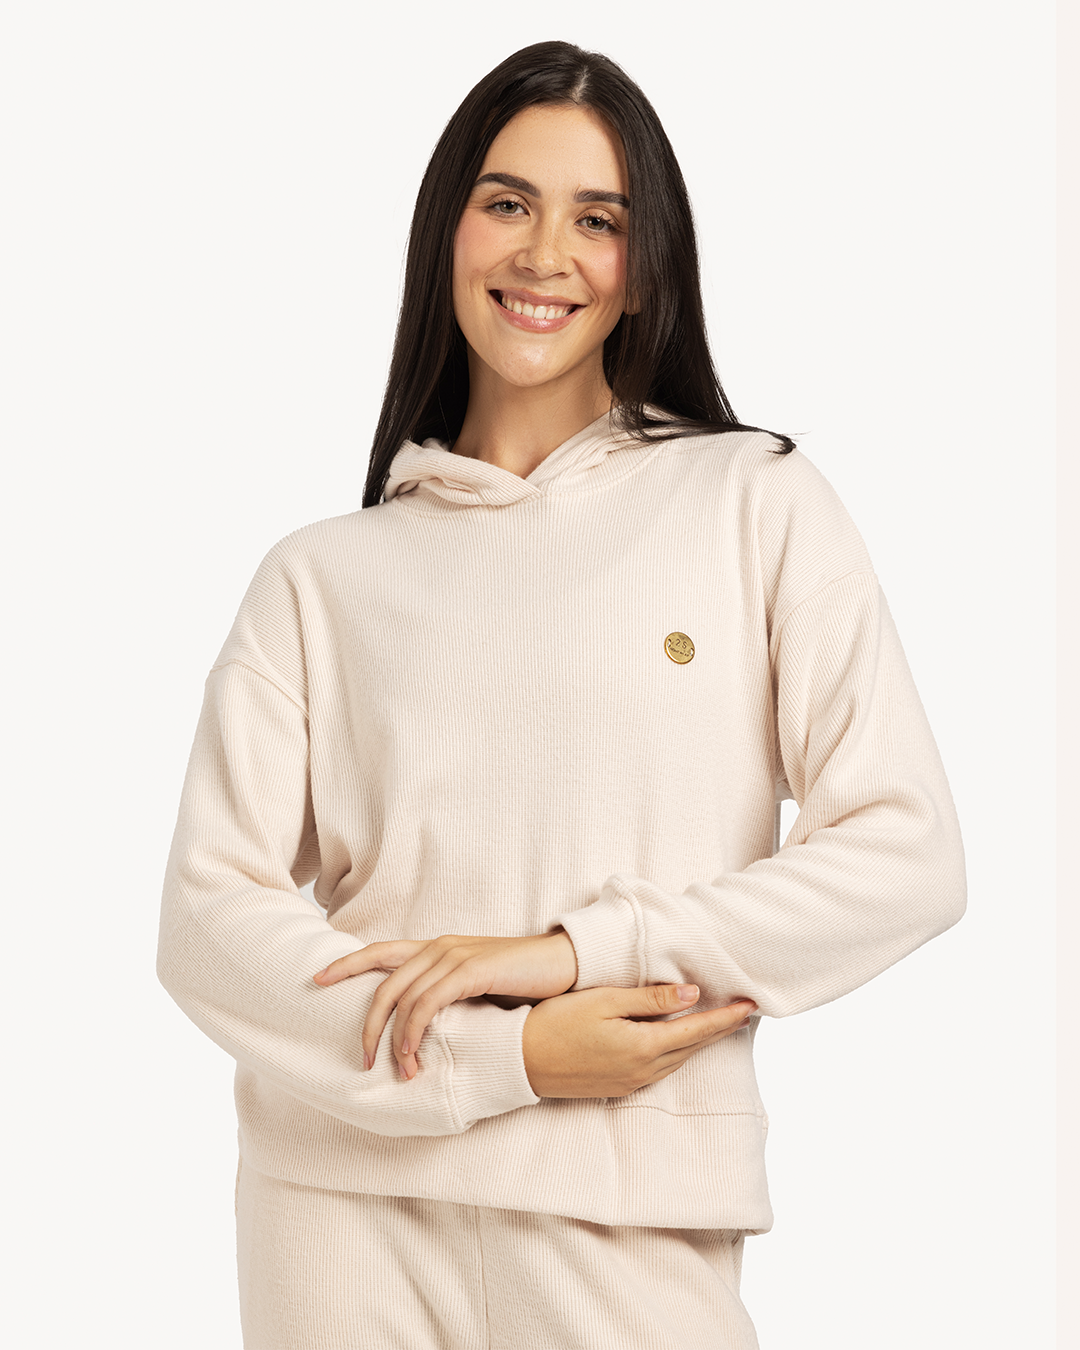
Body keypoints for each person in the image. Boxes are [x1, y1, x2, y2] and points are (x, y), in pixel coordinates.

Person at [158, 39, 966, 1350]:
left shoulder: (751, 500)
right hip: (337, 1207)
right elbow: (207, 920)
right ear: (449, 228)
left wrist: (579, 954)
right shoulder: (322, 575)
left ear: (646, 267)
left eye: (599, 219)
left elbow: (907, 853)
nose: (546, 254)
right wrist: (512, 1056)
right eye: (508, 202)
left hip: (626, 1198)